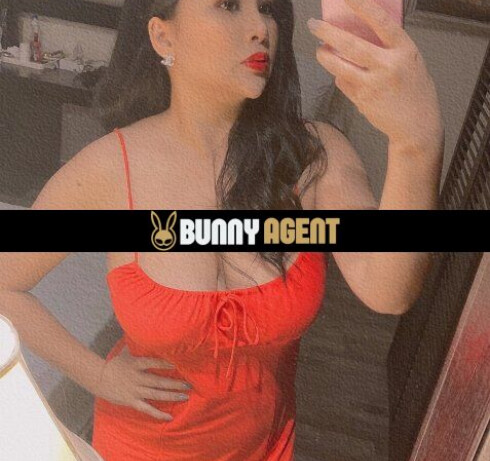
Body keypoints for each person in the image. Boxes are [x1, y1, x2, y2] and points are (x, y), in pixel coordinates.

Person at [0, 0, 444, 459]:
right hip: (137, 448)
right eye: (228, 5)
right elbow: (5, 283)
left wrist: (415, 143)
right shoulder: (112, 168)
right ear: (163, 36)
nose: (260, 28)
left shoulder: (313, 156)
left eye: (266, 8)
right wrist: (97, 376)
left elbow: (389, 291)